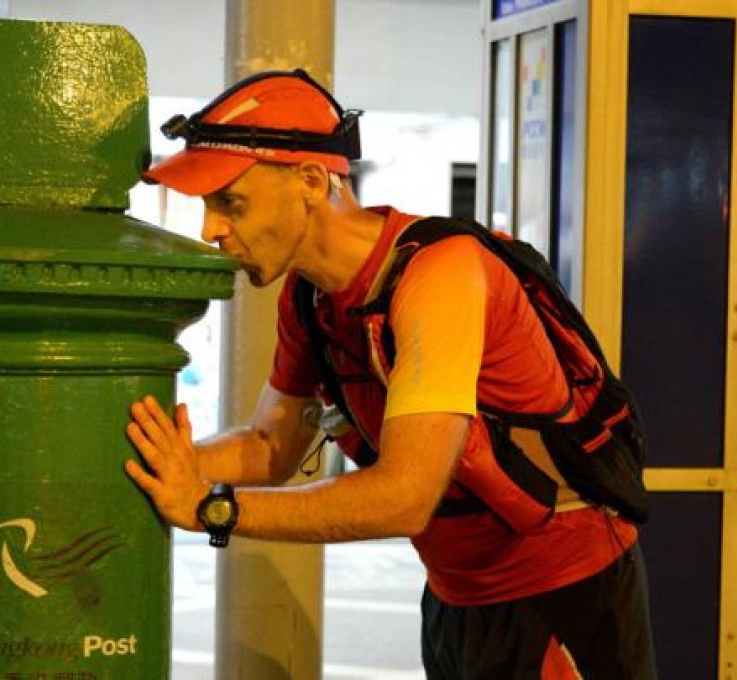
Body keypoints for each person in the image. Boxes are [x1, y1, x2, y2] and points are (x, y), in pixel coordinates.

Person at [123, 69, 656, 678]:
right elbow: (272, 445)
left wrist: (212, 509)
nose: (210, 229)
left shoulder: (440, 275)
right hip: (456, 597)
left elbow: (405, 496)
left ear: (310, 180)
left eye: (230, 202)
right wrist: (168, 466)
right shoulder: (310, 297)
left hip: (561, 594)